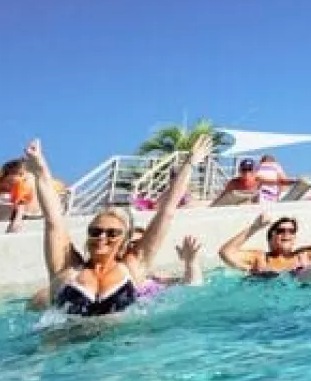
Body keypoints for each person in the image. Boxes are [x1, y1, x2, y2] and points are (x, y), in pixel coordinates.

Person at [25, 135, 209, 317]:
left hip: (121, 336)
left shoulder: (133, 268)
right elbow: (54, 221)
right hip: (63, 336)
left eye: (112, 233)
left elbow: (166, 212)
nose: (102, 237)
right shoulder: (67, 268)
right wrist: (41, 172)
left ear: (124, 240)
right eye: (95, 231)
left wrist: (189, 164)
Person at [218, 211, 311, 277]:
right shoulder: (260, 257)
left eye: (291, 231)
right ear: (270, 238)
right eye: (281, 231)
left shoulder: (301, 255)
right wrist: (254, 227)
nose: (287, 234)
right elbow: (225, 253)